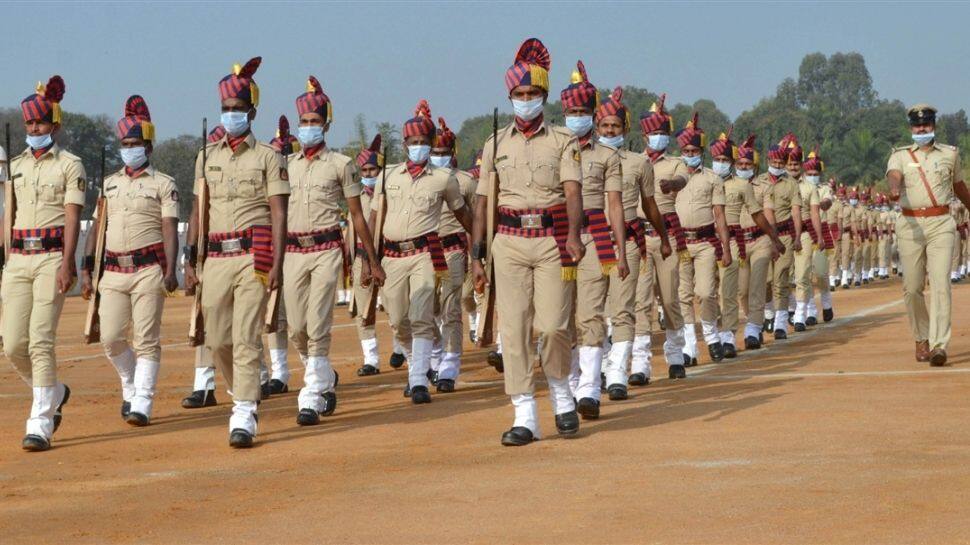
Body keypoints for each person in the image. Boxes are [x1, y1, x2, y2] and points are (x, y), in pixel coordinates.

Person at [471, 38, 585, 446]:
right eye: (518, 94)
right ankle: (525, 416)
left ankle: (561, 396)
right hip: (509, 241)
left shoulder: (562, 142)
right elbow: (484, 201)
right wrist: (477, 255)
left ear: (544, 96)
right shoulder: (494, 143)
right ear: (509, 96)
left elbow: (572, 192)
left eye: (532, 94)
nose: (525, 100)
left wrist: (573, 234)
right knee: (514, 330)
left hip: (552, 240)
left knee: (554, 325)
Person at [182, 57, 289, 448]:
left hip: (252, 256)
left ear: (252, 112)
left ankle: (243, 411)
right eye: (226, 110)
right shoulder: (206, 156)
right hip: (215, 258)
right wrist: (190, 260)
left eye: (238, 109)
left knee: (245, 336)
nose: (231, 116)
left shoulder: (268, 157)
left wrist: (277, 262)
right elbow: (198, 211)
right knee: (218, 339)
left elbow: (279, 213)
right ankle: (243, 391)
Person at [284, 76, 382, 425]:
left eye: (314, 121)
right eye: (304, 122)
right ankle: (325, 376)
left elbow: (357, 215)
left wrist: (371, 260)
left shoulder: (342, 164)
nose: (308, 127)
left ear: (326, 124)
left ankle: (311, 395)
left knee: (318, 323)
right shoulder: (286, 166)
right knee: (296, 327)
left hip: (327, 249)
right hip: (292, 252)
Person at [80, 95, 179, 426]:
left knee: (146, 339)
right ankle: (130, 381)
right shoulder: (108, 185)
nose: (129, 148)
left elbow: (169, 228)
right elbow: (97, 227)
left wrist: (170, 268)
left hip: (148, 269)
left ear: (148, 147)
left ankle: (143, 401)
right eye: (125, 143)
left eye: (135, 143)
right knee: (110, 338)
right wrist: (86, 266)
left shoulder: (164, 184)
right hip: (112, 271)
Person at [370, 100, 472, 404]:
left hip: (426, 255)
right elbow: (375, 219)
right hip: (391, 256)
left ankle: (417, 379)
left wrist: (478, 247)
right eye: (413, 142)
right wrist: (369, 260)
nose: (419, 147)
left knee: (422, 317)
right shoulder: (387, 176)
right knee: (398, 320)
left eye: (424, 143)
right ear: (404, 145)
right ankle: (421, 362)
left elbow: (464, 215)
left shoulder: (444, 179)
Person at [4, 76, 85, 451]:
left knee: (40, 340)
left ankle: (40, 421)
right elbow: (10, 214)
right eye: (28, 124)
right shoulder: (15, 166)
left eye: (39, 123)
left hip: (52, 256)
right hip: (18, 258)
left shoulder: (70, 165)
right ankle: (54, 391)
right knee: (12, 344)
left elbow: (71, 217)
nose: (33, 129)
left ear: (54, 125)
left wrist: (68, 262)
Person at [557, 61, 625, 419]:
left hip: (595, 239)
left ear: (592, 115)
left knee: (591, 314)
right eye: (571, 111)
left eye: (583, 112)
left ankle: (588, 390)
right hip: (556, 240)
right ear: (563, 112)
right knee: (559, 317)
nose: (577, 117)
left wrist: (621, 249)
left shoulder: (607, 156)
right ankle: (568, 384)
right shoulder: (553, 149)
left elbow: (615, 204)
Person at [597, 87, 670, 397]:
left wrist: (664, 236)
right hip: (592, 240)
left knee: (624, 308)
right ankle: (597, 367)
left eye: (615, 126)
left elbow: (651, 205)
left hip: (628, 239)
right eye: (604, 126)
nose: (609, 130)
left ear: (625, 129)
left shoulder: (640, 165)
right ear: (596, 127)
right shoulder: (582, 158)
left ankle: (617, 374)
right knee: (591, 311)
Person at [886, 103, 970, 365]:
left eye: (926, 124)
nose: (921, 128)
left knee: (941, 284)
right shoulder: (899, 155)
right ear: (911, 127)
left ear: (934, 126)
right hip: (910, 226)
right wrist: (895, 189)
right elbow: (894, 175)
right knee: (912, 287)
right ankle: (921, 337)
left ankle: (938, 345)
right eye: (916, 125)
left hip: (941, 224)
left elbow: (959, 186)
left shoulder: (949, 155)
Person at [633, 94, 689, 379]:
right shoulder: (633, 161)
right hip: (640, 236)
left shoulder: (675, 163)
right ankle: (640, 362)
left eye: (663, 133)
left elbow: (682, 180)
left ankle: (675, 354)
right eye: (654, 133)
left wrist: (671, 184)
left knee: (669, 297)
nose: (658, 137)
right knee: (641, 299)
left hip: (667, 236)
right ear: (644, 134)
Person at [719, 134, 784, 354]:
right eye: (740, 164)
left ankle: (753, 330)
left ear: (755, 166)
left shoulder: (764, 186)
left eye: (748, 164)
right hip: (737, 241)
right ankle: (749, 320)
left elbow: (768, 214)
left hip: (760, 240)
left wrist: (774, 240)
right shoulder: (724, 185)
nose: (744, 167)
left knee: (758, 284)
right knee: (742, 290)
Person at [674, 113, 731, 363]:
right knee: (683, 295)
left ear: (701, 151)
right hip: (680, 243)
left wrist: (726, 249)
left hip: (706, 242)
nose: (689, 154)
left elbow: (719, 215)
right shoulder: (671, 175)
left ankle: (711, 335)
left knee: (706, 292)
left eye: (694, 150)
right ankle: (689, 346)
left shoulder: (713, 178)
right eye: (685, 150)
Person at [428, 116, 476, 393]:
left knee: (451, 308)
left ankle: (450, 362)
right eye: (434, 153)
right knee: (424, 309)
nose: (438, 157)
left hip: (453, 249)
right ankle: (435, 350)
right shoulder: (421, 180)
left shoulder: (466, 182)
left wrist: (477, 256)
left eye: (443, 153)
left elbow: (473, 221)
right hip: (424, 250)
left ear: (452, 153)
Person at [760, 134, 803, 339]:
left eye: (780, 162)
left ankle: (780, 323)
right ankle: (768, 312)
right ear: (768, 161)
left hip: (785, 236)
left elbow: (796, 211)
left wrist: (797, 237)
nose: (777, 165)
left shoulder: (791, 184)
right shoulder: (759, 181)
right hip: (763, 237)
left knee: (781, 279)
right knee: (766, 280)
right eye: (774, 162)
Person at [352, 135, 384, 377]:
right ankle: (371, 358)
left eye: (372, 168)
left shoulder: (389, 192)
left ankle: (407, 351)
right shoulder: (355, 196)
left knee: (396, 308)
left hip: (391, 255)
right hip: (362, 257)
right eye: (364, 169)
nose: (369, 173)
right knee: (364, 309)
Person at [788, 140, 823, 331]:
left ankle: (801, 315)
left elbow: (815, 213)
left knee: (802, 275)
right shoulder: (779, 186)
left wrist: (819, 236)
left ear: (801, 165)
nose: (792, 167)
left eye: (795, 163)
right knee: (783, 279)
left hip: (804, 236)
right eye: (789, 163)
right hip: (784, 235)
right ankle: (792, 308)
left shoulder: (809, 188)